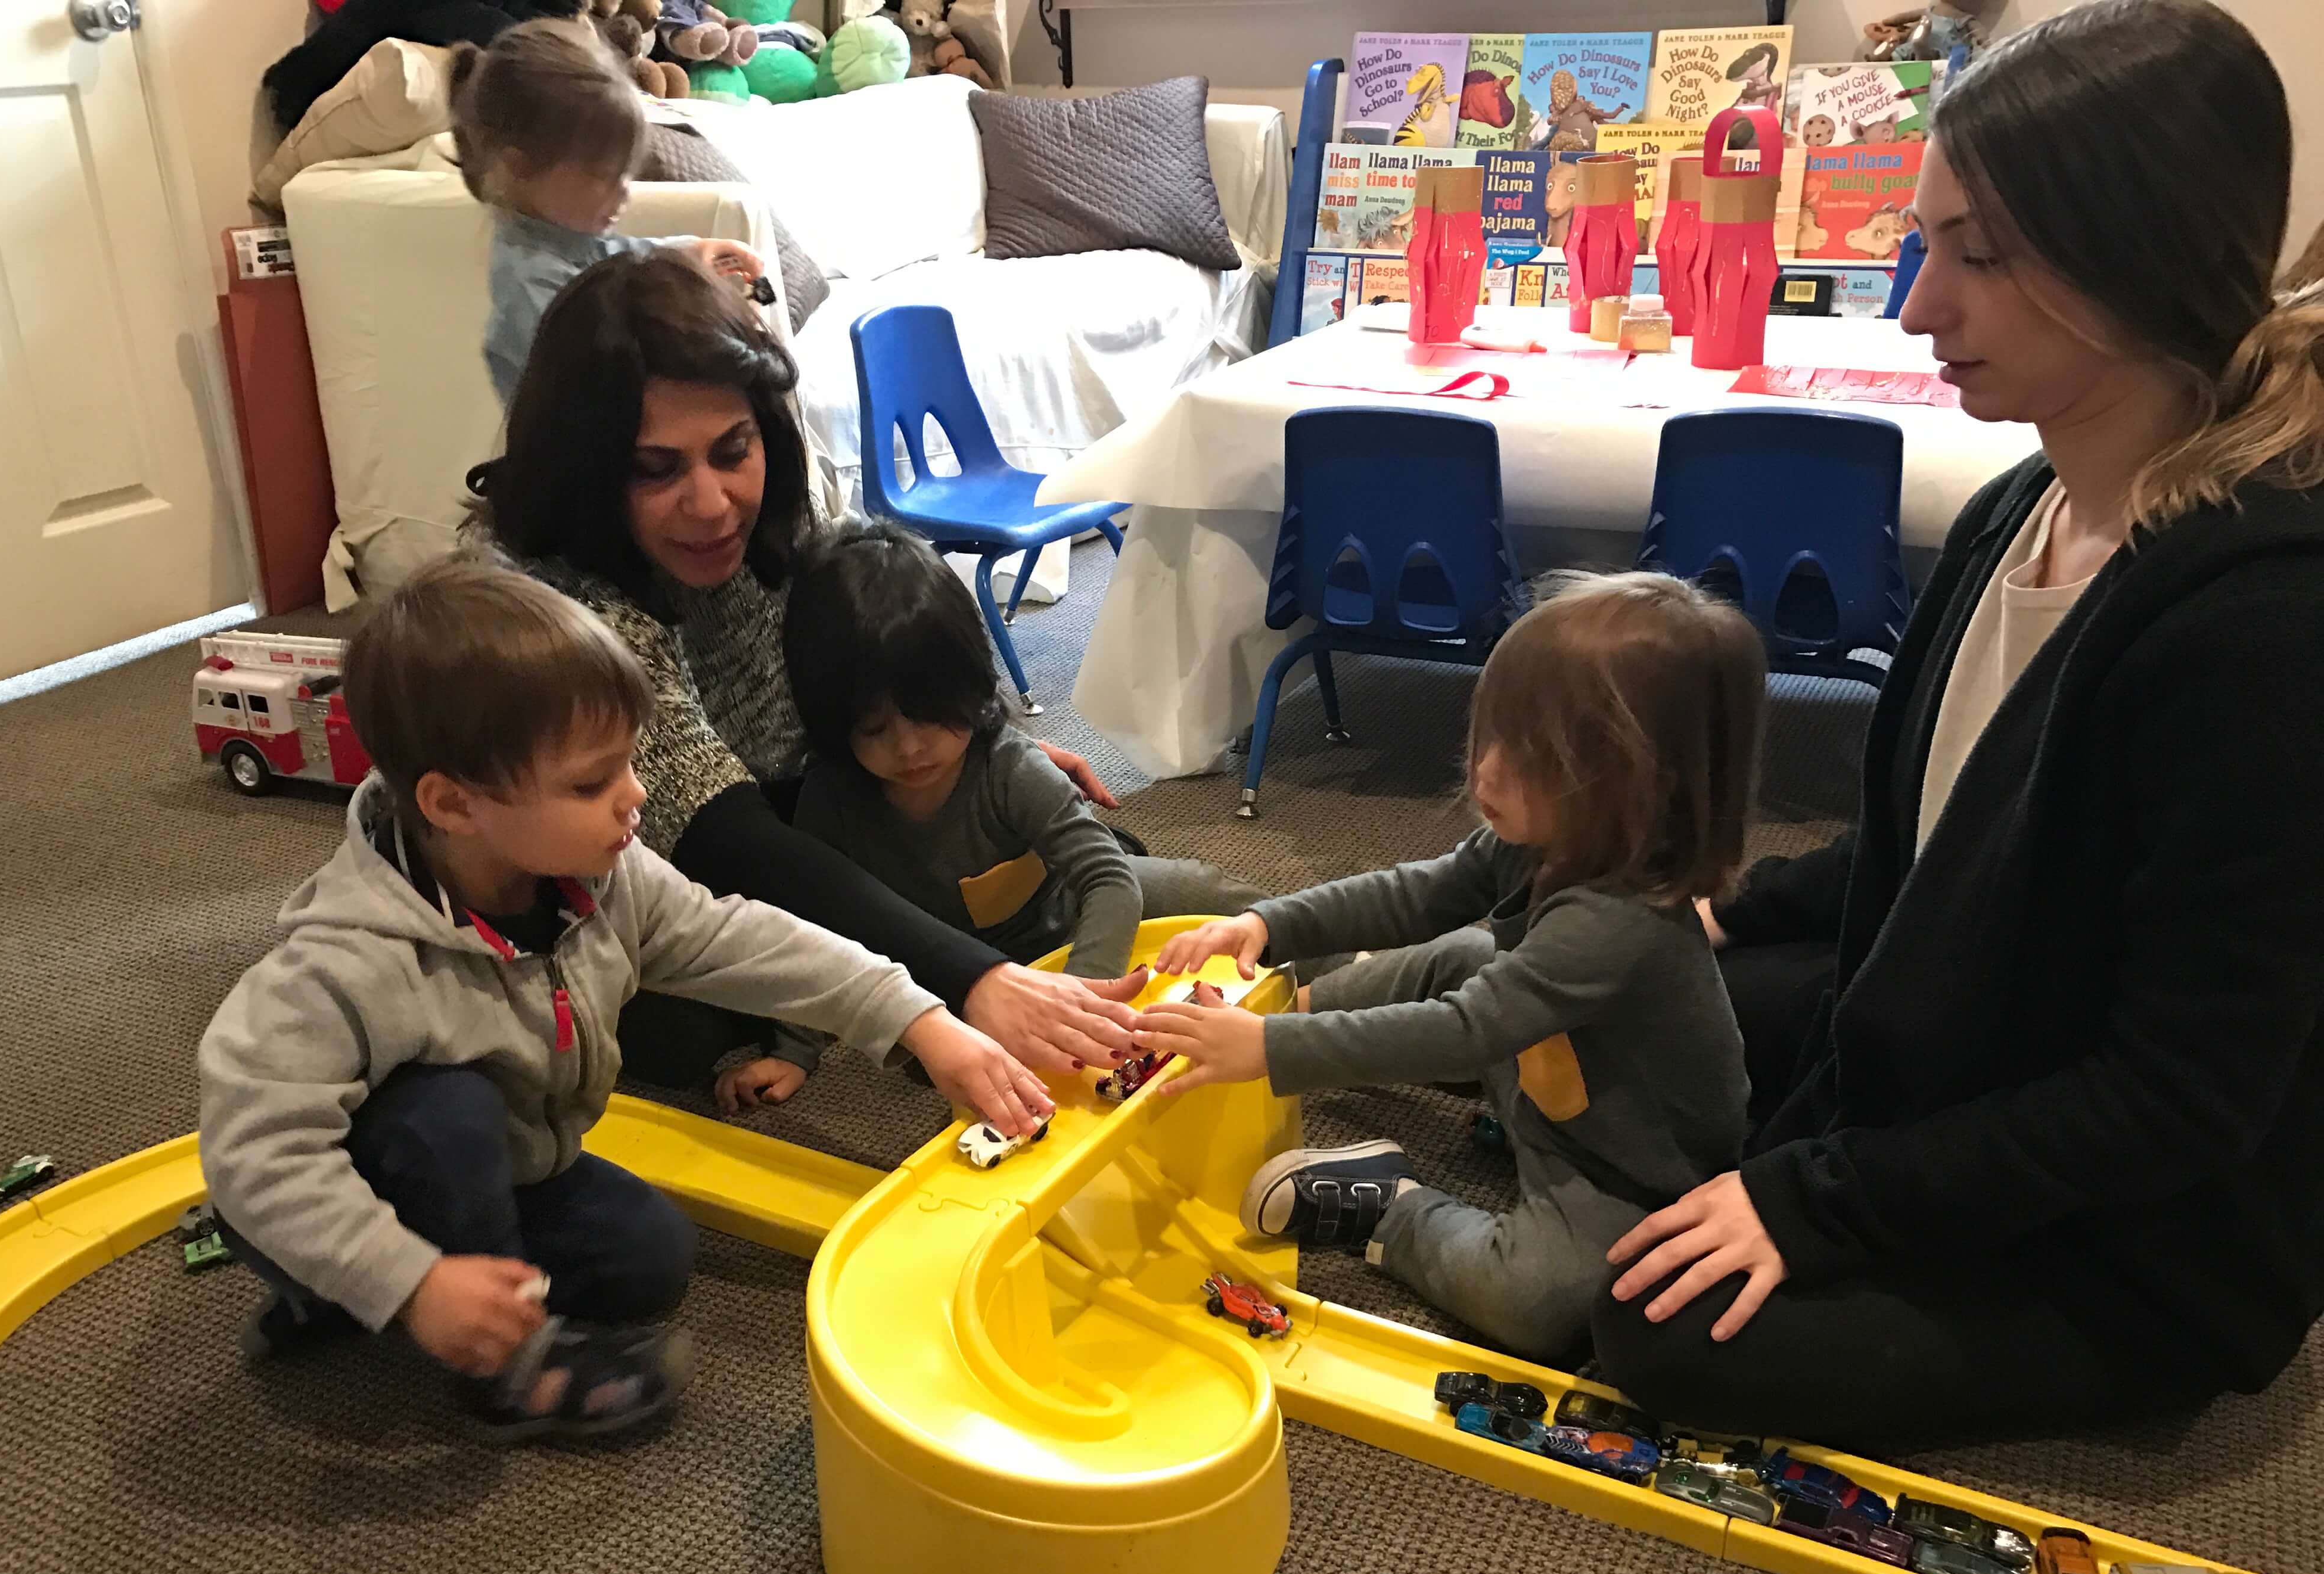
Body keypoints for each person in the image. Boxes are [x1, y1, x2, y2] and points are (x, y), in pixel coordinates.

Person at [1593, 0, 2324, 1446]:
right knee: (1622, 984)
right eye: (1926, 244)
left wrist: (1816, 1199)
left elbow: (2179, 1095)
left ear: (2138, 254)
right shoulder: (2013, 512)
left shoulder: (2264, 624)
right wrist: (1726, 910)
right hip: (1973, 1039)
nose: (1921, 305)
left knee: (1647, 1318)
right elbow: (1952, 843)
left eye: (1978, 254)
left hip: (2134, 1246)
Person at [198, 560, 1048, 1441]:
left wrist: (916, 1016)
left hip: (516, 1166)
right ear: (455, 804)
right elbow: (253, 1146)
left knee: (650, 1258)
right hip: (379, 1164)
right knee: (440, 1114)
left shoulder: (598, 878)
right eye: (589, 784)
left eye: (628, 766)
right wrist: (408, 1279)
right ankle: (491, 1369)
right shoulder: (346, 961)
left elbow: (740, 938)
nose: (635, 797)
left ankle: (379, 1285)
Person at [472, 251, 1154, 1091]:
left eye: (732, 451)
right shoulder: (559, 607)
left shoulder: (785, 523)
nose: (712, 504)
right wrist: (969, 979)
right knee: (666, 1038)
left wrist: (978, 739)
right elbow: (719, 832)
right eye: (657, 470)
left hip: (807, 800)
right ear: (588, 471)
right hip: (643, 867)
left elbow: (894, 630)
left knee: (1077, 850)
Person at [1136, 574, 1769, 1367]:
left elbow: (1463, 1032)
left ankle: (1384, 1206)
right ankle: (1303, 1003)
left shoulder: (1621, 921)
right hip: (1543, 1076)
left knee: (1539, 1305)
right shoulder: (1550, 835)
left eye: (1530, 758)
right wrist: (1270, 923)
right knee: (1466, 956)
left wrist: (1267, 1051)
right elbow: (1423, 893)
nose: (1485, 774)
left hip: (1619, 1171)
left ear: (1637, 784)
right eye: (1487, 735)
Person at [732, 521, 1264, 1110]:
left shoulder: (1009, 767)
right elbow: (813, 929)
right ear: (833, 725)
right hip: (956, 980)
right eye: (873, 728)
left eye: (929, 715)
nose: (909, 749)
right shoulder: (831, 800)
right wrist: (794, 1049)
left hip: (1065, 914)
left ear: (972, 685)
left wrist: (1079, 996)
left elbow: (1106, 880)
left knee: (1205, 892)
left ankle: (1350, 964)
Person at [448, 19, 766, 406]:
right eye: (605, 176)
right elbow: (604, 398)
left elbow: (612, 259)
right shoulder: (533, 294)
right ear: (521, 167)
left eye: (627, 175)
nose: (624, 195)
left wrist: (687, 254)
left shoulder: (559, 237)